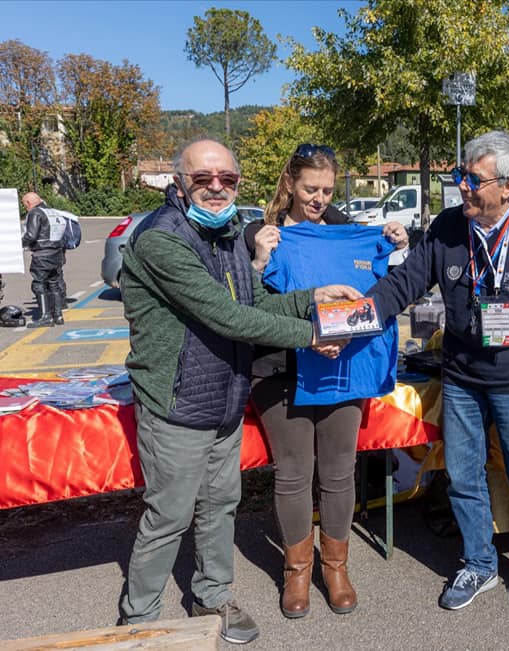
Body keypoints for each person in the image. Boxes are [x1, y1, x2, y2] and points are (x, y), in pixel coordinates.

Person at [118, 138, 359, 645]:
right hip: (177, 402)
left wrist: (310, 298)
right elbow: (226, 316)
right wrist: (312, 335)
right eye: (203, 178)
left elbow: (256, 301)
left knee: (220, 505)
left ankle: (213, 596)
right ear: (179, 182)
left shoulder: (226, 234)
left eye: (227, 179)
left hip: (222, 397)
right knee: (169, 516)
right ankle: (139, 621)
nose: (215, 188)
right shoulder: (162, 239)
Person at [367, 131, 509, 612]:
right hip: (463, 377)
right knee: (463, 475)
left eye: (472, 178)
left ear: (507, 186)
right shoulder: (450, 226)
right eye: (460, 175)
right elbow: (403, 283)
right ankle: (479, 563)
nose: (462, 186)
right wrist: (361, 314)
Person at [243, 143, 407, 619]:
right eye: (310, 188)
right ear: (290, 184)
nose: (318, 198)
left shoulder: (348, 233)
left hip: (342, 364)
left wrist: (397, 243)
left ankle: (335, 566)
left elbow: (376, 294)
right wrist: (257, 261)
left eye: (328, 190)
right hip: (279, 367)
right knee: (293, 473)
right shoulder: (262, 234)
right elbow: (243, 303)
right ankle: (296, 572)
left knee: (338, 470)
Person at [20, 191, 67, 327]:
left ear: (29, 203)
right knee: (54, 283)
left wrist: (18, 245)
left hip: (42, 255)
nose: (26, 208)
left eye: (25, 205)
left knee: (39, 285)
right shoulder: (52, 211)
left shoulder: (35, 213)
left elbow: (31, 235)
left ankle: (45, 316)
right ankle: (58, 315)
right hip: (56, 253)